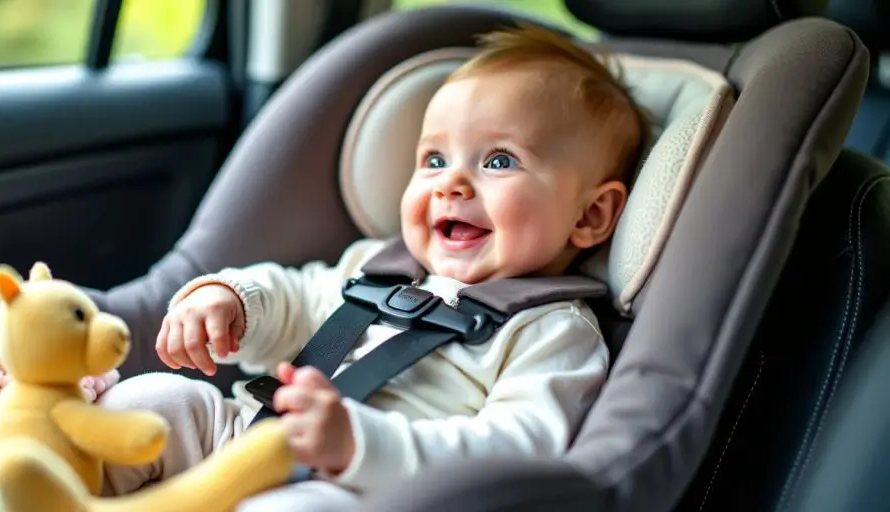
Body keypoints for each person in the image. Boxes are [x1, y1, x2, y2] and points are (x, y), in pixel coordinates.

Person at [96, 24, 651, 510]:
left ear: (591, 215)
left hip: (370, 493)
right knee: (151, 404)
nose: (450, 183)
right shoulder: (379, 268)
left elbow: (518, 451)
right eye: (434, 159)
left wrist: (360, 444)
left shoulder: (552, 332)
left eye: (499, 161)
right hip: (246, 438)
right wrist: (231, 302)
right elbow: (293, 298)